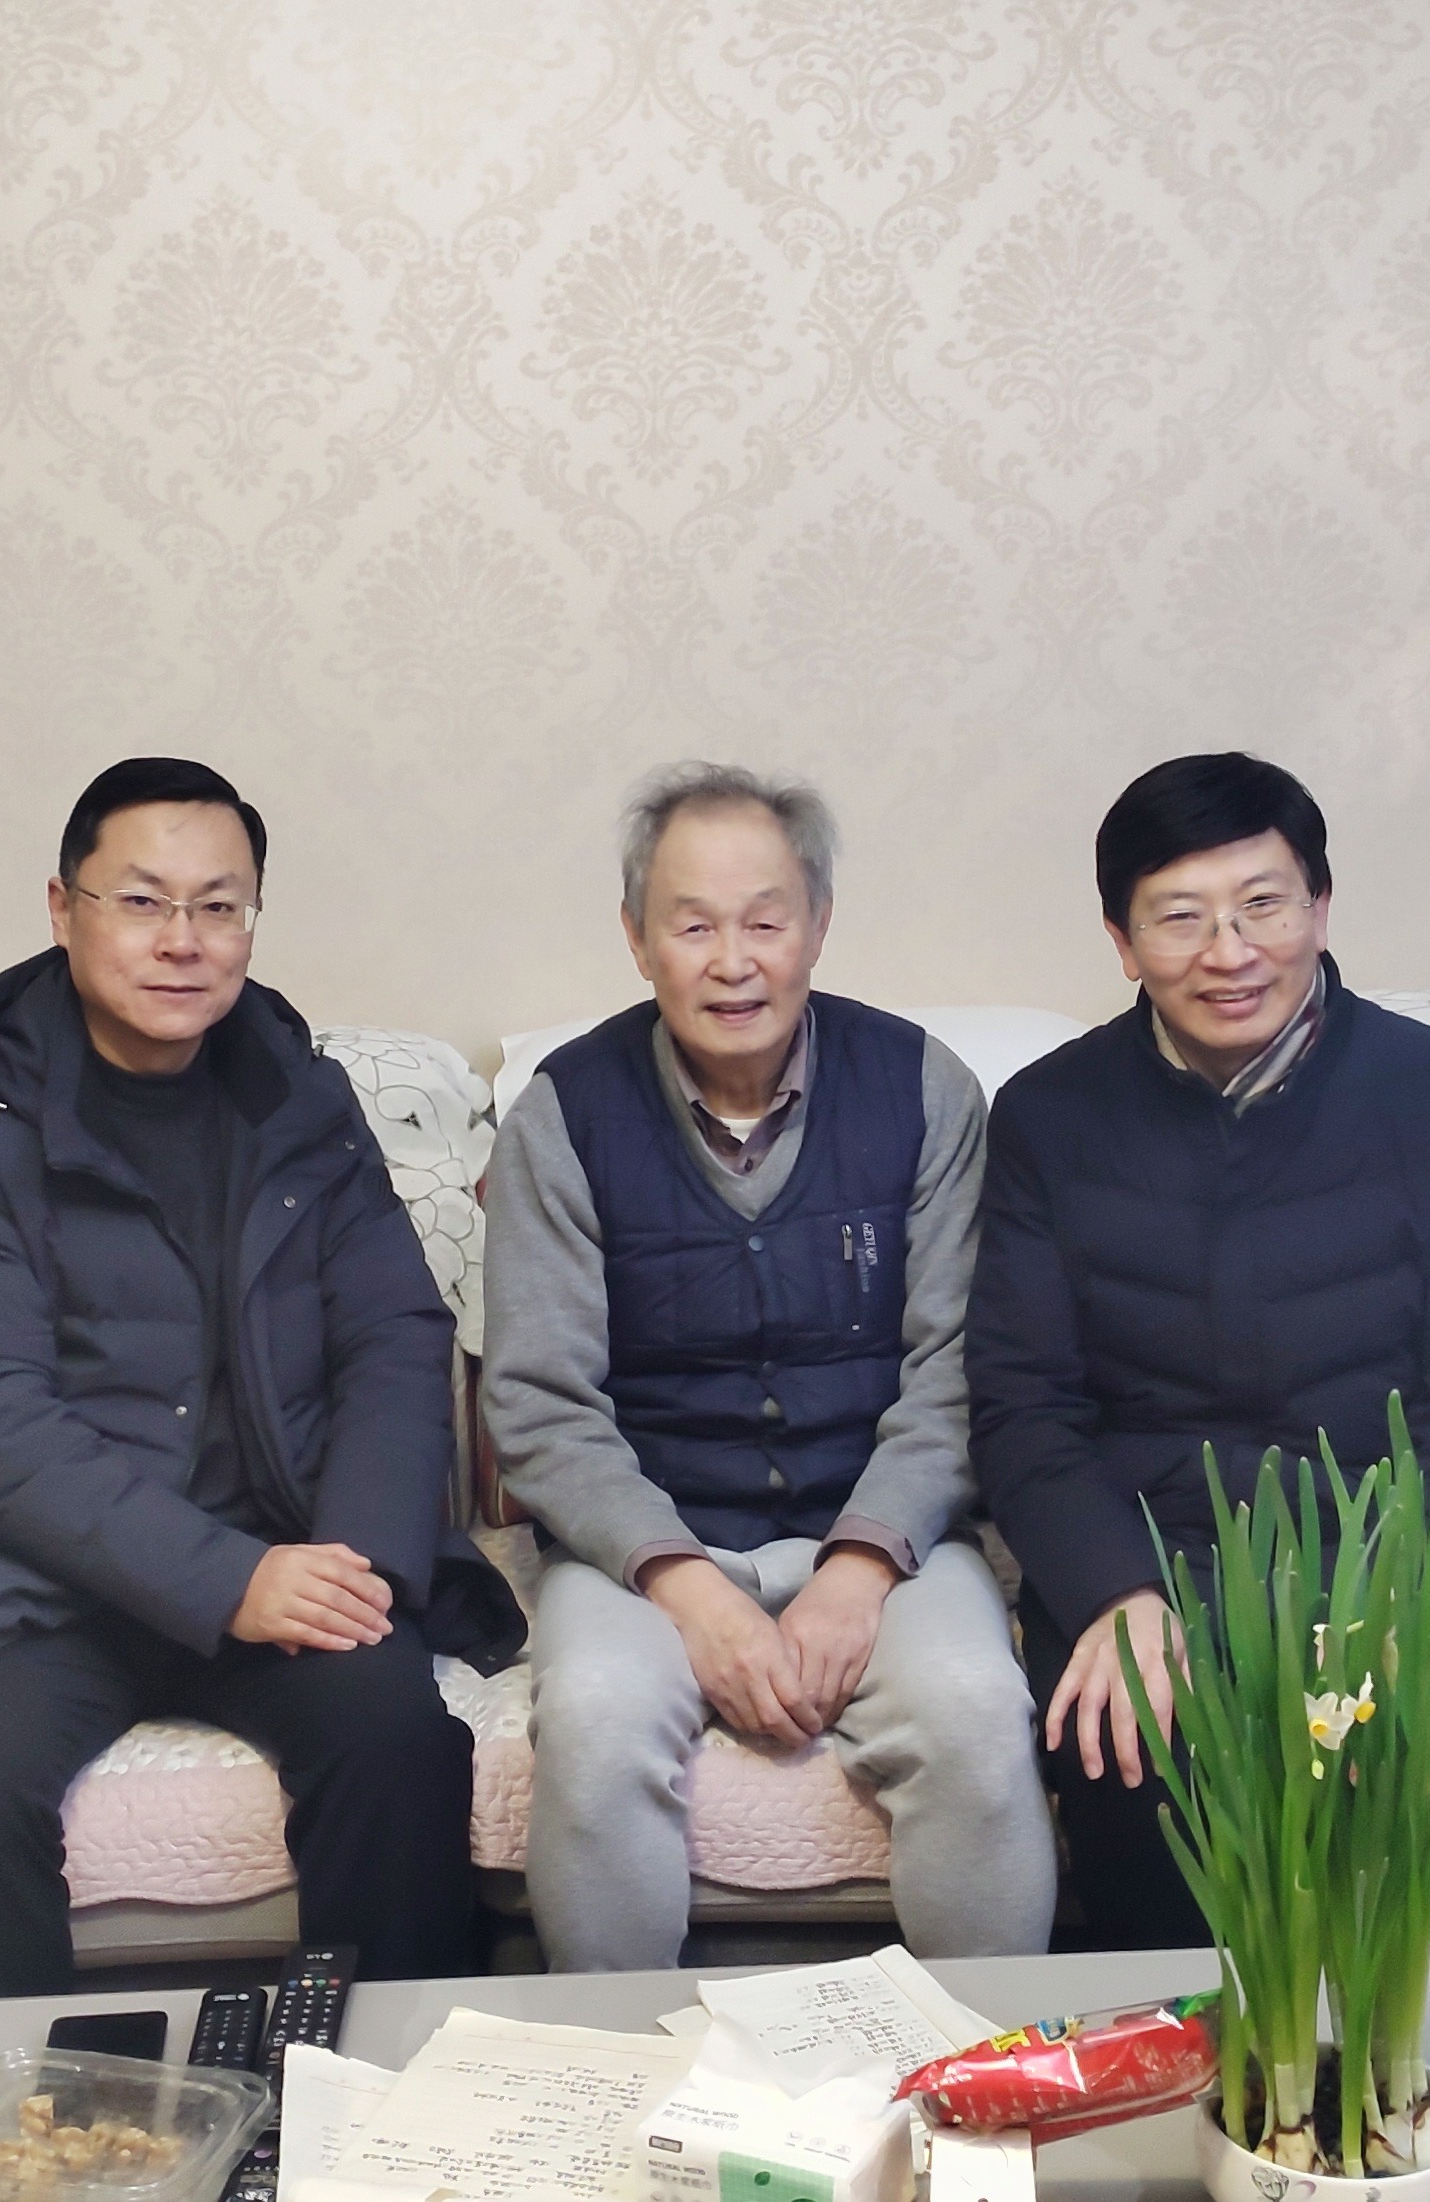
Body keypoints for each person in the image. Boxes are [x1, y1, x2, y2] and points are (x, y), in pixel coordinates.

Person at [0, 758, 494, 2001]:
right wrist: (224, 1581)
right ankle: (17, 2110)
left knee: (396, 1740)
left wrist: (356, 1562)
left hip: (286, 1543)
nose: (183, 941)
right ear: (63, 909)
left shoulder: (301, 1100)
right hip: (51, 1588)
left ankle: (372, 2093)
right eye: (144, 901)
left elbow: (392, 1333)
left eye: (220, 906)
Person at [967, 752, 1430, 1950]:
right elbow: (1022, 1403)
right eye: (1179, 917)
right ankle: (1162, 2058)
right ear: (1121, 942)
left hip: (1376, 1559)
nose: (1228, 952)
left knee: (1386, 1785)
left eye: (1261, 906)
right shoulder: (1048, 1114)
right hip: (1152, 1559)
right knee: (1134, 1750)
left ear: (1320, 908)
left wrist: (1409, 1602)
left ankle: (1381, 2070)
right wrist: (1114, 1594)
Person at [486, 763, 1057, 1973]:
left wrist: (860, 1567)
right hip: (643, 1543)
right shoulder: (562, 1114)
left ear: (818, 925)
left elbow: (958, 1366)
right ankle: (619, 2065)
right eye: (692, 926)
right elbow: (540, 1404)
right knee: (592, 1720)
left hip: (884, 1532)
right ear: (637, 939)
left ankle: (980, 2064)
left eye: (764, 921)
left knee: (971, 1707)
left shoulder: (922, 1089)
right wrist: (687, 1588)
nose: (732, 962)